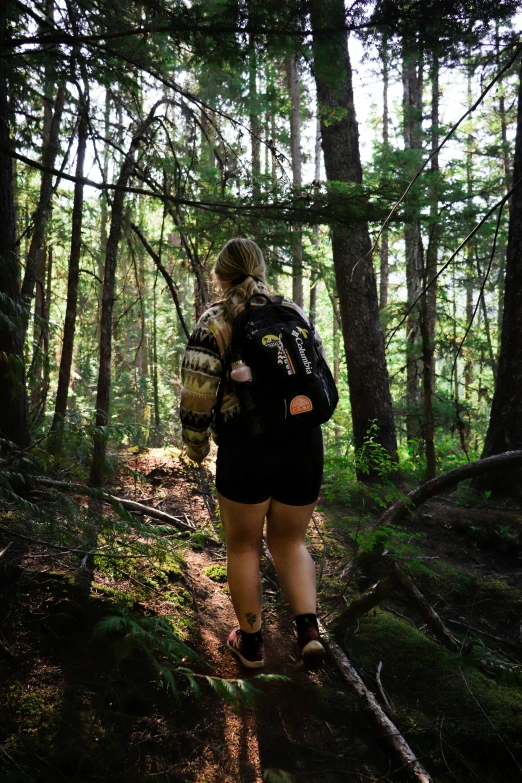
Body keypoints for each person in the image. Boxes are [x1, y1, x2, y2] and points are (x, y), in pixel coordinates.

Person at [179, 238, 328, 670]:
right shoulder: (293, 312)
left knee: (243, 546)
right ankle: (309, 633)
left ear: (220, 275)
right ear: (260, 269)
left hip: (248, 447)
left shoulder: (216, 320)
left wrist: (196, 446)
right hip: (303, 442)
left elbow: (198, 392)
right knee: (290, 540)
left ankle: (252, 644)